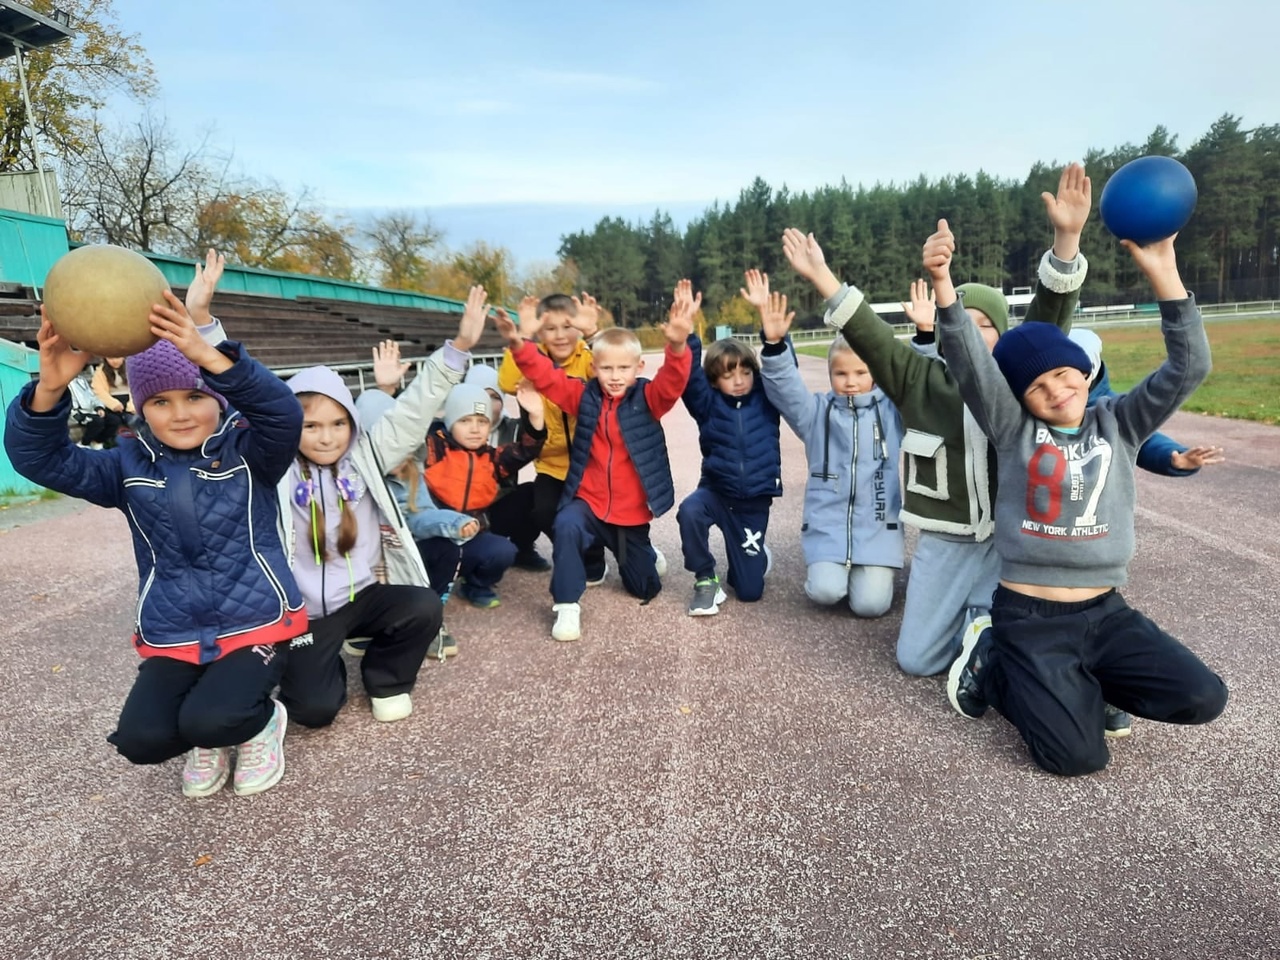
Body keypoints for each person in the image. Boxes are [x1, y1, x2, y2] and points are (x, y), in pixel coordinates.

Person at [4, 248, 307, 799]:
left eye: (195, 395)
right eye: (161, 402)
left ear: (216, 400)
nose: (181, 412)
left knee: (211, 718)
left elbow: (283, 412)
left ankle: (260, 722)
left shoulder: (250, 452)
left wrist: (210, 353)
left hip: (257, 621)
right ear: (141, 409)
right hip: (174, 632)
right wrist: (49, 388)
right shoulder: (125, 466)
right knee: (141, 740)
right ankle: (213, 730)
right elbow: (41, 460)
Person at [931, 220, 1228, 776]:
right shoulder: (1013, 430)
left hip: (1106, 613)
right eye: (1036, 388)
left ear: (1086, 374)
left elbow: (1189, 368)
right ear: (1021, 400)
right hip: (1028, 617)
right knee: (1076, 757)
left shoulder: (1122, 422)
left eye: (1063, 375)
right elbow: (970, 363)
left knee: (1204, 697)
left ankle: (1093, 680)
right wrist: (944, 284)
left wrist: (1166, 275)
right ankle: (992, 660)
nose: (1055, 390)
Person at [781, 163, 1091, 680]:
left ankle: (994, 629)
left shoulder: (1019, 379)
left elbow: (1051, 313)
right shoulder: (917, 379)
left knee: (1027, 651)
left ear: (1006, 334)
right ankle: (978, 623)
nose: (971, 335)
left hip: (1010, 537)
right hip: (947, 539)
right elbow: (870, 334)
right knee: (916, 660)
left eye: (986, 326)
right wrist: (822, 277)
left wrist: (1067, 238)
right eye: (961, 324)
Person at [275, 286, 484, 726]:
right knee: (315, 711)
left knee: (424, 605)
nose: (326, 437)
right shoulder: (276, 469)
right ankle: (318, 664)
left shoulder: (365, 458)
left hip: (364, 596)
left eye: (336, 424)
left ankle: (385, 678)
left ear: (350, 425)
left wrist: (459, 348)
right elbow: (244, 398)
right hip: (306, 611)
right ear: (291, 425)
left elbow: (413, 410)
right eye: (310, 425)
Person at [492, 280, 697, 642]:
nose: (615, 377)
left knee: (645, 588)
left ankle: (641, 551)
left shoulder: (648, 398)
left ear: (638, 367)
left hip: (630, 512)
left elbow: (674, 380)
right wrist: (519, 343)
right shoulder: (583, 397)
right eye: (606, 369)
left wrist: (678, 344)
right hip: (589, 502)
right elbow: (546, 376)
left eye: (623, 369)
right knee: (565, 523)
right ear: (594, 367)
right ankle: (567, 606)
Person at [752, 271, 905, 617]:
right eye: (841, 374)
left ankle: (872, 572)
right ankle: (834, 569)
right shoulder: (816, 414)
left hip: (879, 526)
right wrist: (775, 346)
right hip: (827, 525)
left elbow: (925, 390)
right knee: (825, 591)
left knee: (870, 606)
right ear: (830, 373)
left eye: (860, 373)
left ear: (875, 374)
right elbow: (786, 391)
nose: (850, 382)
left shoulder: (893, 413)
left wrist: (925, 336)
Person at [676, 289, 784, 616]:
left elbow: (782, 366)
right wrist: (689, 333)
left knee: (749, 590)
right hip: (717, 492)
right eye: (728, 374)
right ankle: (705, 576)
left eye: (745, 372)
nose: (738, 381)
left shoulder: (767, 398)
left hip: (752, 503)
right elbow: (690, 377)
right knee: (690, 511)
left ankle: (753, 556)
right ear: (715, 380)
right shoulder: (707, 403)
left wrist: (775, 336)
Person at [497, 291, 606, 579]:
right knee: (545, 510)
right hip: (551, 464)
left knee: (596, 511)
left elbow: (612, 366)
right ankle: (572, 550)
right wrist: (523, 336)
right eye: (550, 328)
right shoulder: (532, 359)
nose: (560, 336)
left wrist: (594, 332)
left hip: (591, 461)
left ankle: (597, 556)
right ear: (540, 331)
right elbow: (507, 381)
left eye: (567, 326)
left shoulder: (587, 357)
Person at [420, 377, 547, 608]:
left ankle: (476, 584)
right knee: (430, 569)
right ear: (450, 422)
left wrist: (537, 417)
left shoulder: (491, 457)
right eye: (465, 420)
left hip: (471, 535)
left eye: (482, 421)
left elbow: (526, 450)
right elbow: (402, 430)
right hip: (434, 536)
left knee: (503, 551)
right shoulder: (433, 447)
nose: (475, 429)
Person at [1067, 328, 1225, 476]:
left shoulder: (1109, 409)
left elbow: (1142, 438)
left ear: (1090, 371)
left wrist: (1173, 456)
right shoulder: (1045, 403)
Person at [462, 361, 547, 570]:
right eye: (481, 396)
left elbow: (535, 433)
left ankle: (522, 548)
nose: (488, 405)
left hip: (498, 508)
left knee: (535, 492)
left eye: (494, 397)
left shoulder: (512, 429)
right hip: (460, 513)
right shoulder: (451, 430)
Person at [92, 355, 138, 427]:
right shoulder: (100, 372)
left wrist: (133, 406)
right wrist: (113, 404)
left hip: (130, 402)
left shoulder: (130, 368)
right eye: (111, 358)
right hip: (112, 403)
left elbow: (136, 388)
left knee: (134, 420)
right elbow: (99, 391)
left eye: (118, 357)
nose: (115, 361)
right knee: (115, 421)